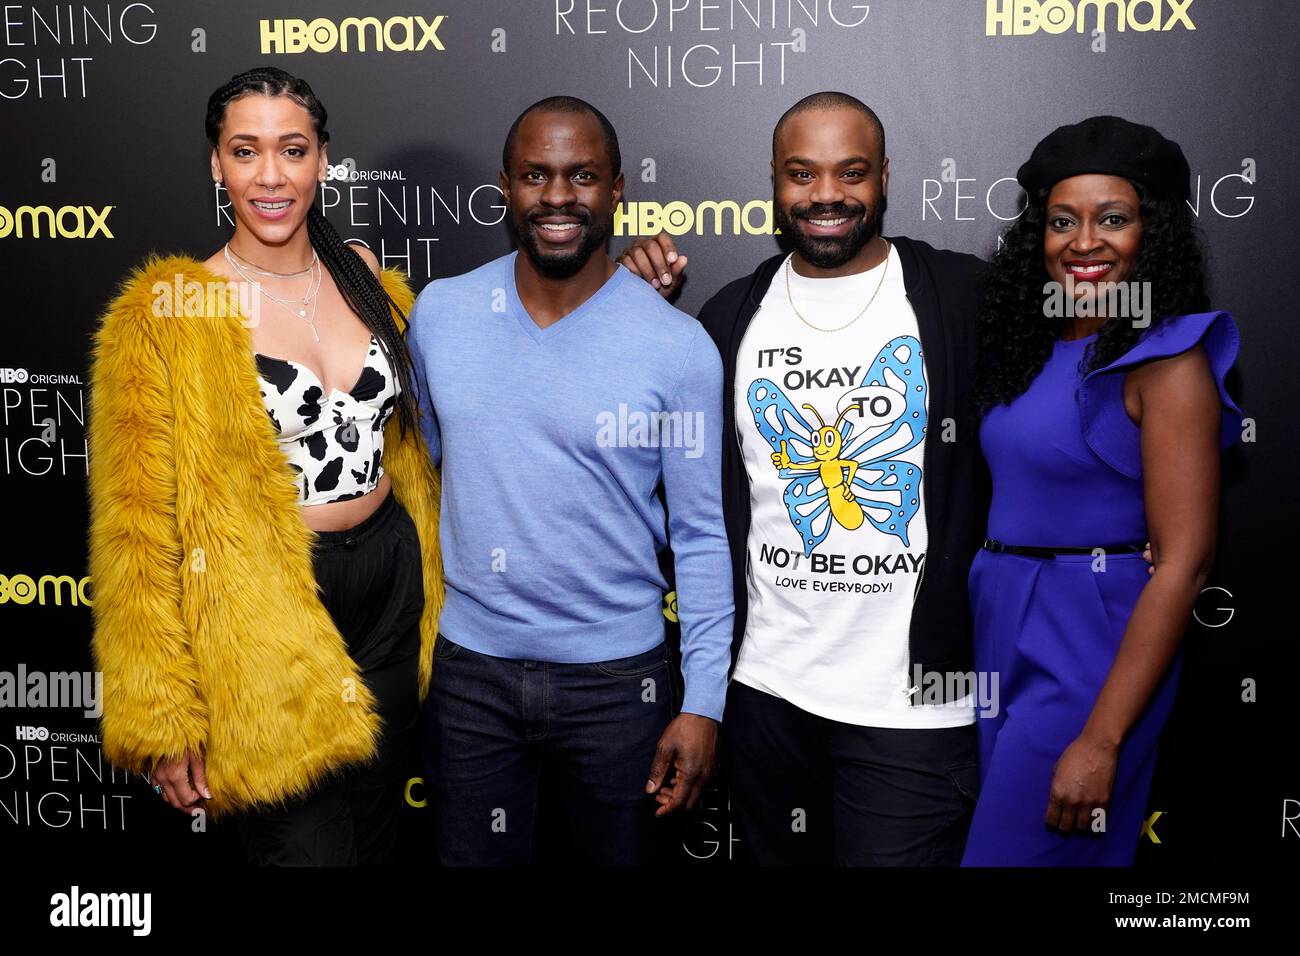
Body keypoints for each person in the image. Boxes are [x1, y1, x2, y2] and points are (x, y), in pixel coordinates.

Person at [86, 67, 445, 866]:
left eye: (293, 149)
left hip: (389, 580)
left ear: (323, 160)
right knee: (304, 849)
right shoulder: (166, 314)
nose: (271, 176)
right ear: (217, 165)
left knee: (378, 832)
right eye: (245, 152)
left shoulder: (372, 285)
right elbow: (133, 528)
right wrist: (160, 713)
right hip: (264, 602)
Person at [620, 92, 988, 865]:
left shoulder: (962, 298)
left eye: (850, 172)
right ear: (775, 185)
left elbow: (1076, 384)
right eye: (802, 173)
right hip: (766, 701)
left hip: (915, 712)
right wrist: (630, 306)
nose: (826, 195)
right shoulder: (728, 316)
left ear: (884, 177)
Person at [406, 96, 734, 866]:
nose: (557, 197)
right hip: (469, 681)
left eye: (582, 175)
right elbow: (420, 473)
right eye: (536, 176)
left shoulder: (678, 348)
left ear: (617, 189)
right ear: (506, 188)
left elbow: (701, 536)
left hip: (623, 689)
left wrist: (704, 702)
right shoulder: (443, 314)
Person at [961, 115, 1243, 866]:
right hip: (1000, 616)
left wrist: (1102, 735)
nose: (1084, 242)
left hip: (1093, 635)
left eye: (1113, 219)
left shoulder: (1168, 360)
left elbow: (1186, 561)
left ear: (1153, 234)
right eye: (1062, 221)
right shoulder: (1031, 345)